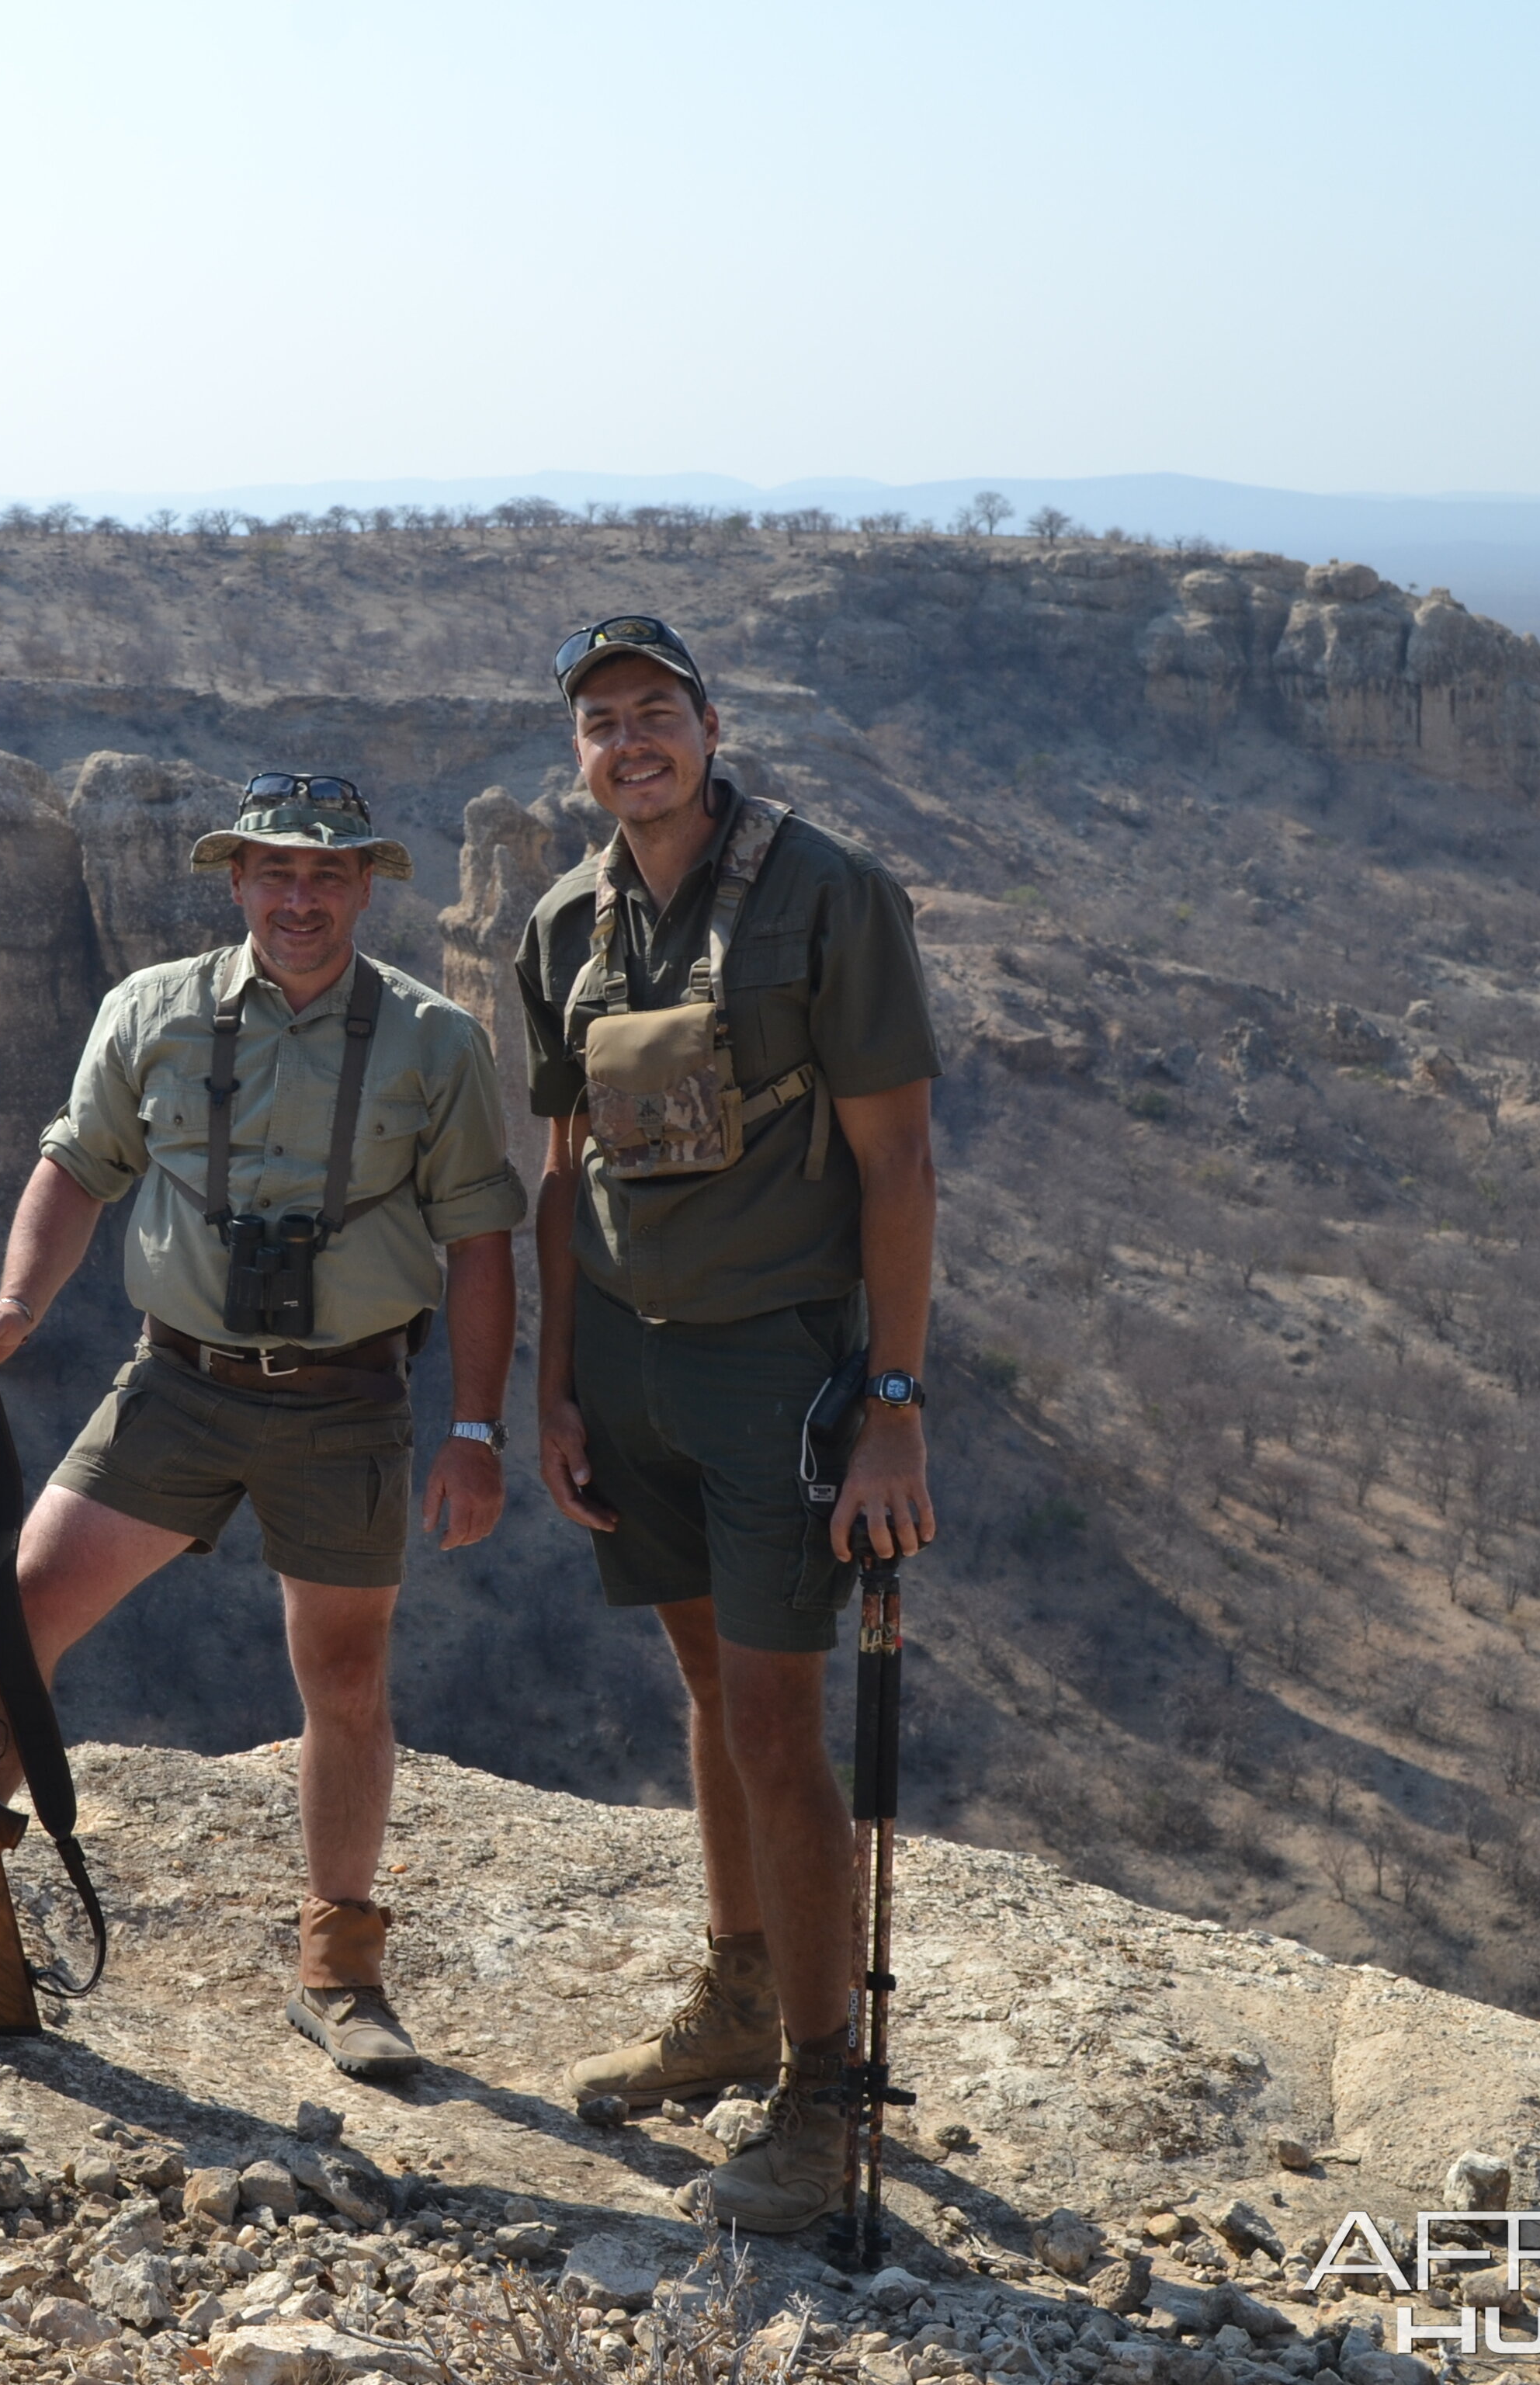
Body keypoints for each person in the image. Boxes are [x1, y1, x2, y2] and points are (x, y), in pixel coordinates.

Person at [0, 772, 525, 2078]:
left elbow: (476, 1236)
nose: (299, 900)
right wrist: (13, 1305)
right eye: (274, 874)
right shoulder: (153, 1009)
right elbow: (75, 1166)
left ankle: (340, 1972)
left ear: (363, 886)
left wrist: (474, 1426)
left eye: (327, 876)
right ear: (234, 880)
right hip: (176, 1383)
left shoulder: (432, 1041)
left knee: (343, 1679)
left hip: (347, 1396)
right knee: (8, 1615)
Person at [512, 616, 942, 2233]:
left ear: (710, 721)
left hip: (779, 1372)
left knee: (774, 1723)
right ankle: (741, 1992)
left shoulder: (829, 894)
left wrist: (894, 1404)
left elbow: (897, 1165)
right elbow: (566, 1175)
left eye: (654, 713)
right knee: (707, 1693)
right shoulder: (564, 922)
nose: (631, 744)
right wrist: (554, 1389)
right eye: (600, 724)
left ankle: (824, 2103)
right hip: (630, 1371)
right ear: (580, 754)